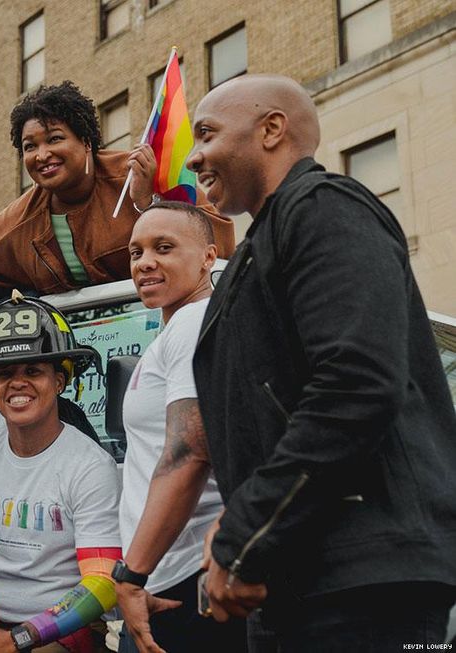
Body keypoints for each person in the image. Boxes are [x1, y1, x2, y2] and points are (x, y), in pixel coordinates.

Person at [186, 74, 456, 650]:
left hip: (365, 586)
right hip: (299, 581)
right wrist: (239, 532)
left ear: (271, 129)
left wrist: (244, 534)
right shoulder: (257, 250)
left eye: (206, 134)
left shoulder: (323, 206)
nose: (192, 157)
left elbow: (355, 385)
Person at [0, 80, 236, 349]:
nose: (42, 155)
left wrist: (147, 203)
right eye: (30, 147)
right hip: (74, 359)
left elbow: (218, 246)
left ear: (86, 142)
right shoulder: (18, 220)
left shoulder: (140, 174)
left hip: (169, 336)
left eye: (55, 139)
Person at [0, 295, 123, 653]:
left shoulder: (91, 467)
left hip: (61, 635)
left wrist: (17, 639)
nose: (17, 383)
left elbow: (103, 583)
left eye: (33, 371)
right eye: (5, 373)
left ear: (59, 381)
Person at [110, 202, 244, 653]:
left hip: (183, 579)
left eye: (163, 248)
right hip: (169, 575)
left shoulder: (193, 322)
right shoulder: (176, 330)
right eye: (136, 252)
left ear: (209, 257)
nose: (145, 262)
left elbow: (190, 452)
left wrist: (132, 575)